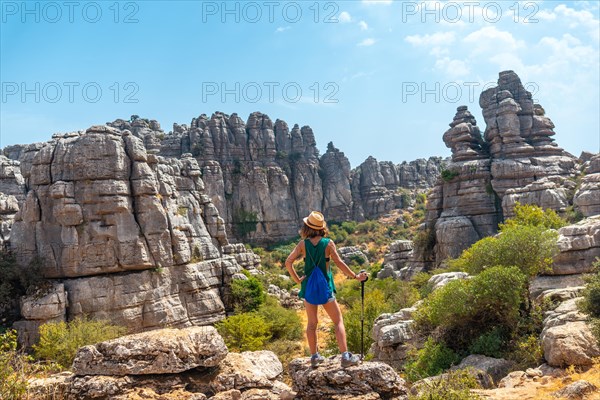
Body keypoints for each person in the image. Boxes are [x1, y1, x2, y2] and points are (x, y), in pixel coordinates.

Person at [285, 211, 368, 368]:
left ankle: (315, 357)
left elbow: (288, 262)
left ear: (307, 227)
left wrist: (297, 280)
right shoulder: (328, 243)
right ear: (321, 227)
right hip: (325, 288)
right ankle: (345, 357)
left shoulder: (302, 244)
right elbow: (339, 263)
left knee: (311, 324)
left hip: (308, 288)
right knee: (337, 321)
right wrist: (355, 276)